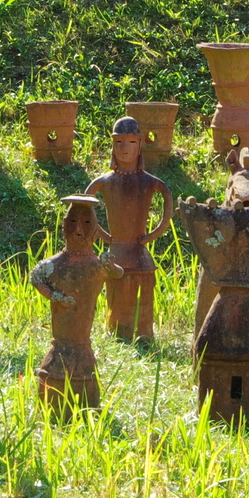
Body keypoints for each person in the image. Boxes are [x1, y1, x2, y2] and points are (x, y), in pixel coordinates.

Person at [28, 195, 123, 412]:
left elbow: (118, 274)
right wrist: (55, 297)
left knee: (83, 367)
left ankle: (86, 409)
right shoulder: (54, 264)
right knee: (58, 364)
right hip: (59, 345)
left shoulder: (96, 266)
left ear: (96, 229)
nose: (79, 230)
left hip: (83, 346)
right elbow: (35, 277)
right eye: (72, 223)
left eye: (87, 223)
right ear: (64, 227)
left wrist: (110, 266)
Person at [86, 116, 173, 342]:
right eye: (120, 143)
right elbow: (86, 204)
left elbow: (167, 199)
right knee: (117, 302)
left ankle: (144, 337)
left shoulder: (149, 181)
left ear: (140, 144)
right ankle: (117, 336)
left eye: (132, 142)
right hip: (117, 252)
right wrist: (103, 235)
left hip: (140, 254)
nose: (126, 149)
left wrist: (152, 235)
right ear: (113, 146)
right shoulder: (105, 181)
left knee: (143, 302)